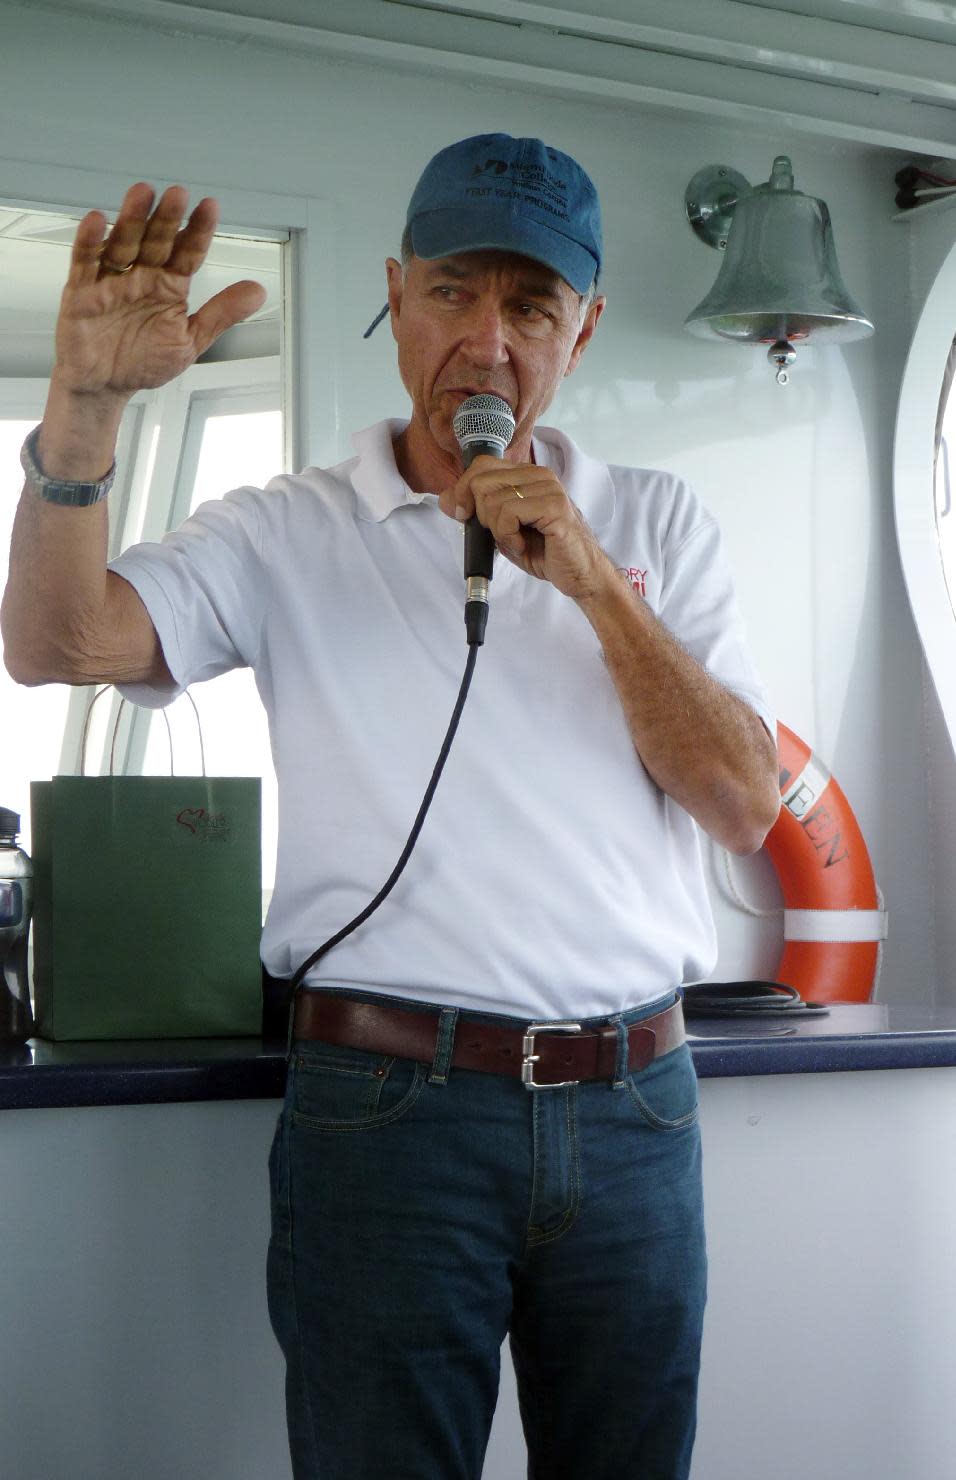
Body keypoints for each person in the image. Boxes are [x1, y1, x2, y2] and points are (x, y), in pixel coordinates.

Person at [2, 133, 779, 1479]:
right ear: (393, 293)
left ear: (582, 332)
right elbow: (57, 648)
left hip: (635, 1106)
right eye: (453, 291)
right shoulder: (284, 531)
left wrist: (596, 585)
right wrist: (82, 418)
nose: (486, 341)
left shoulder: (662, 526)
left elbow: (744, 804)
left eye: (530, 306)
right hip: (388, 1112)